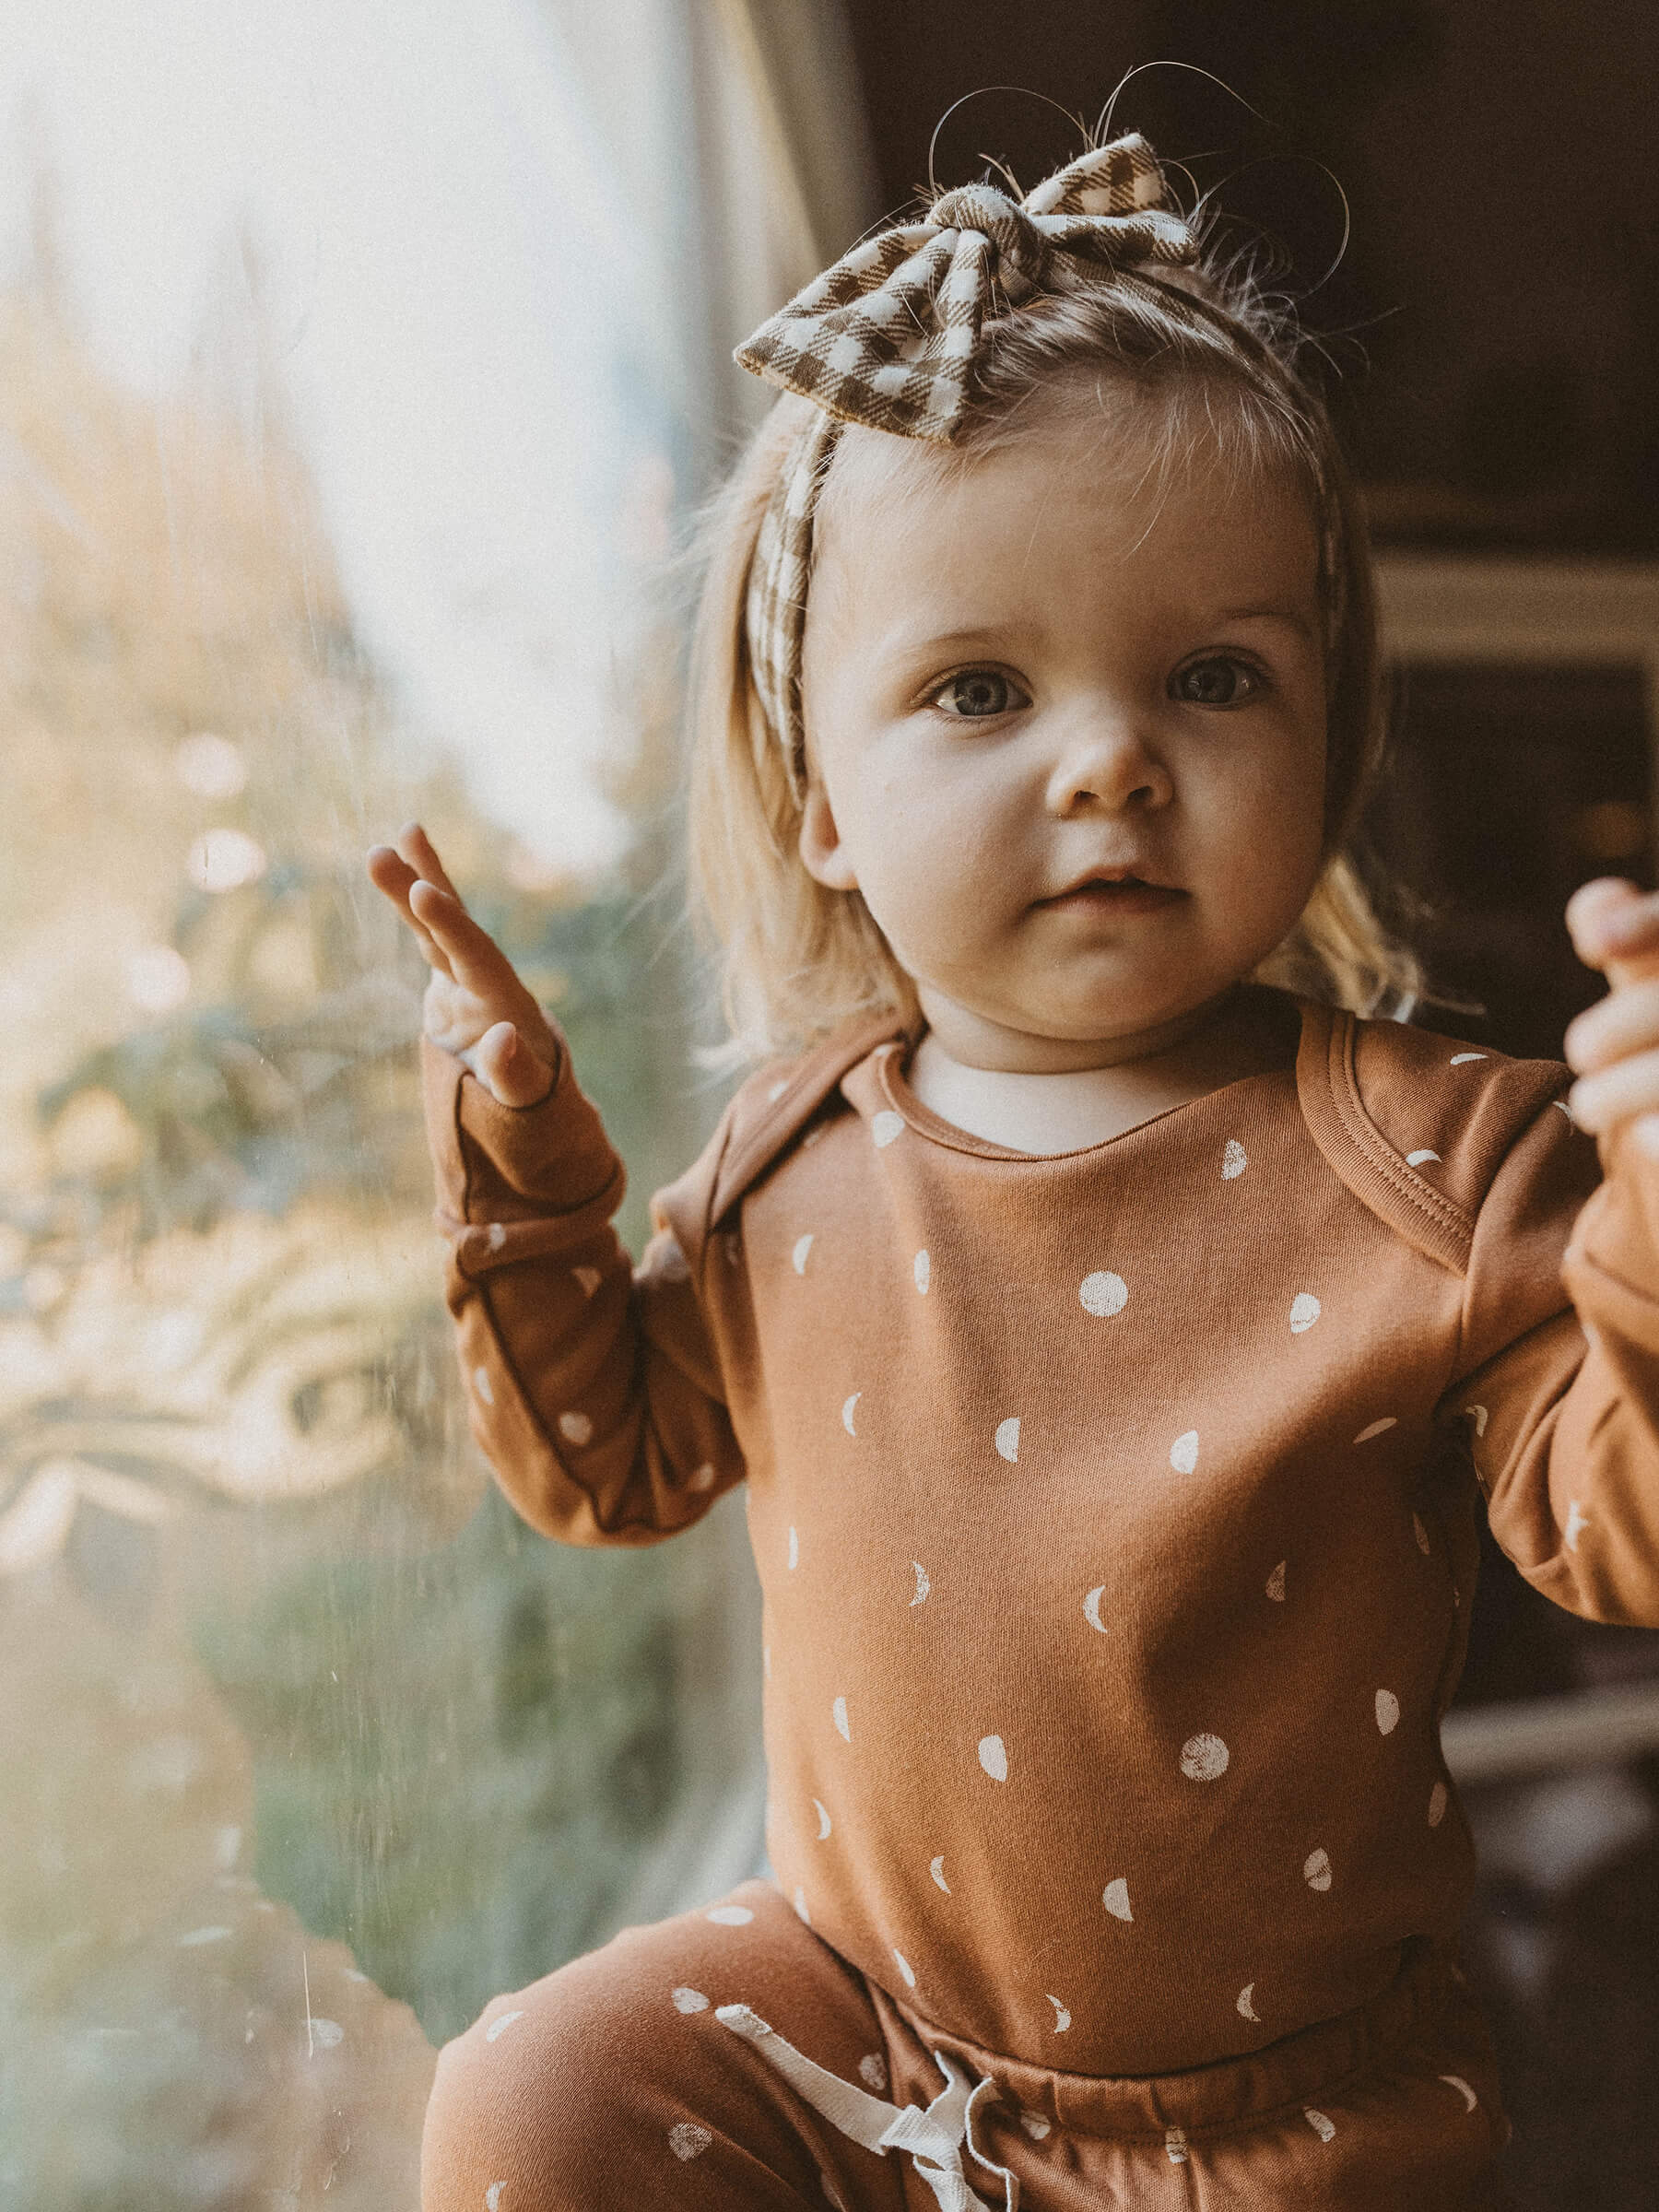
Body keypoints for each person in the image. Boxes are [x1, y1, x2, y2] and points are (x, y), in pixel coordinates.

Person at [370, 127, 1659, 2211]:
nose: (1111, 757)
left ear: (1327, 752)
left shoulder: (1442, 1155)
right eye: (981, 686)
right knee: (537, 2096)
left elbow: (1624, 1532)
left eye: (1214, 677)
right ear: (820, 804)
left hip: (1287, 2138)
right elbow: (606, 1467)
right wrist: (523, 1187)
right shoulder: (790, 1154)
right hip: (864, 2059)